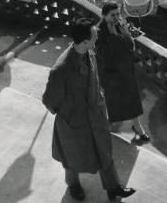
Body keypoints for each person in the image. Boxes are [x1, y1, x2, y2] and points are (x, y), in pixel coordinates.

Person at [42, 18, 135, 201]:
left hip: (96, 116)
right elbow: (49, 100)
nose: (97, 35)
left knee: (104, 153)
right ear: (85, 41)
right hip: (74, 124)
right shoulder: (61, 69)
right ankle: (73, 185)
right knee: (72, 158)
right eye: (94, 35)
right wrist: (69, 114)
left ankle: (113, 188)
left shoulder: (89, 52)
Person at [95, 3, 150, 144]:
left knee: (133, 100)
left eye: (118, 14)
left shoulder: (121, 23)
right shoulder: (98, 32)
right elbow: (104, 55)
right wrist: (113, 36)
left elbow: (128, 42)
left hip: (126, 70)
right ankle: (107, 127)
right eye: (112, 15)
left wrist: (126, 39)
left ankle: (137, 126)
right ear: (104, 15)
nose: (116, 17)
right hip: (112, 74)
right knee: (114, 103)